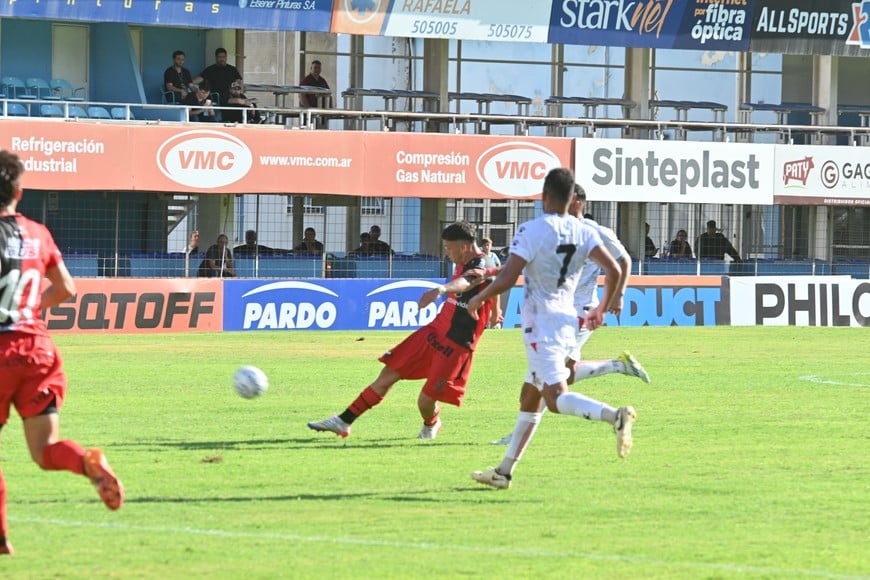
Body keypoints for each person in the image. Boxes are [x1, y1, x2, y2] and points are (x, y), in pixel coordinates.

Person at [465, 167, 635, 490]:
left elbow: (508, 279)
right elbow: (614, 268)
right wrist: (601, 308)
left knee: (555, 399)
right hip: (566, 320)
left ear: (543, 196)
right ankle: (503, 472)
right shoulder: (584, 232)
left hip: (539, 325)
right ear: (572, 199)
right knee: (531, 397)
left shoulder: (532, 230)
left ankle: (615, 416)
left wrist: (480, 298)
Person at [0, 150, 124, 555]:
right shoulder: (38, 233)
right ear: (19, 191)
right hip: (37, 351)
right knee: (45, 451)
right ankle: (86, 462)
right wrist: (27, 310)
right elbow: (67, 289)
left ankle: (0, 536)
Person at [490, 184, 649, 446]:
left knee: (544, 381)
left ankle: (516, 441)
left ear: (575, 202)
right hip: (556, 313)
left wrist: (618, 295)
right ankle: (618, 365)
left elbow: (623, 261)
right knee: (564, 373)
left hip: (580, 313)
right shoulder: (554, 232)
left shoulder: (595, 232)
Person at [308, 221, 495, 440]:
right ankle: (343, 421)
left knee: (425, 401)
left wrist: (441, 289)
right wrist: (496, 310)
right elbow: (495, 287)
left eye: (448, 248)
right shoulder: (463, 260)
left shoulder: (482, 265)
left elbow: (468, 282)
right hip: (434, 331)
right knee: (389, 372)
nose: (446, 252)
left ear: (463, 247)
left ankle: (432, 423)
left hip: (456, 343)